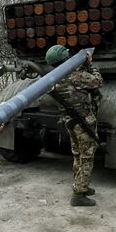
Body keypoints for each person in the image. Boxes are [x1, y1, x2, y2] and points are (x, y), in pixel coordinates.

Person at [45, 45, 103, 206]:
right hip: (84, 122)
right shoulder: (76, 76)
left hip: (70, 122)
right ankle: (78, 195)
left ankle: (80, 185)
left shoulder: (54, 79)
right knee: (87, 156)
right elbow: (98, 81)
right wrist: (90, 65)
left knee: (78, 154)